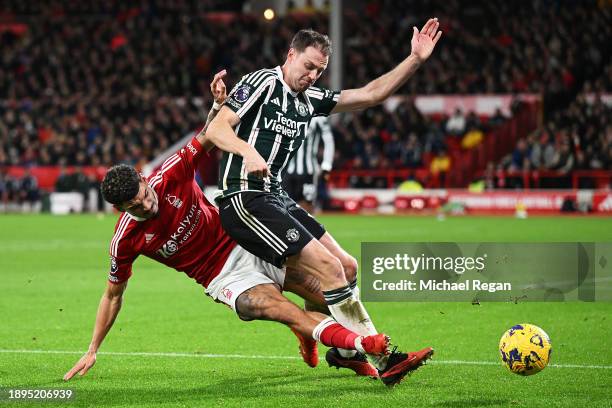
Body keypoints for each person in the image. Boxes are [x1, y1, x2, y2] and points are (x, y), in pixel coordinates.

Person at [62, 71, 398, 384]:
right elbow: (112, 295)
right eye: (134, 207)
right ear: (119, 209)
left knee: (323, 291)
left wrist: (217, 107)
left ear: (143, 178)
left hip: (246, 241)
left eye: (144, 195)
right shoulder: (125, 240)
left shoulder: (169, 175)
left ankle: (342, 352)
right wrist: (93, 348)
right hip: (223, 277)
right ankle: (364, 343)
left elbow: (209, 137)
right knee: (282, 310)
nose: (147, 205)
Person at [205, 19, 442, 385]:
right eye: (308, 66)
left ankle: (344, 353)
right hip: (243, 197)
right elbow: (217, 128)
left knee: (346, 267)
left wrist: (414, 59)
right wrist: (246, 151)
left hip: (277, 196)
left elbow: (371, 94)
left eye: (320, 71)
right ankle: (383, 359)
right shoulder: (262, 83)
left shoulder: (309, 100)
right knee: (328, 269)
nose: (313, 76)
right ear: (291, 55)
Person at [283, 116, 334, 213]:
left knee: (307, 206)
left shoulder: (319, 117)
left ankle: (308, 228)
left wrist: (326, 165)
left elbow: (328, 141)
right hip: (286, 170)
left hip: (308, 171)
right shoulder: (287, 111)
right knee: (284, 205)